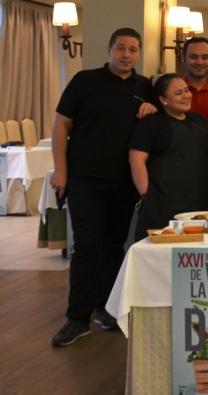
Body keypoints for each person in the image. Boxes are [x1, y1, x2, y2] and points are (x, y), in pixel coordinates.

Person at [50, 27, 157, 346]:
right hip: (85, 179)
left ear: (138, 53)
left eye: (133, 49)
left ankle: (107, 309)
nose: (126, 54)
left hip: (123, 183)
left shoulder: (145, 86)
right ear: (109, 50)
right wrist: (60, 171)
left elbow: (152, 125)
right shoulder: (85, 81)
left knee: (114, 246)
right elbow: (61, 124)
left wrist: (151, 109)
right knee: (86, 246)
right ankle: (77, 317)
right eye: (121, 48)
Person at [129, 74, 208, 238]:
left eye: (186, 90)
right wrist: (146, 195)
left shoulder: (199, 121)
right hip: (162, 205)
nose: (186, 96)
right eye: (178, 93)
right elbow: (136, 160)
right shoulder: (150, 122)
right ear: (163, 99)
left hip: (200, 202)